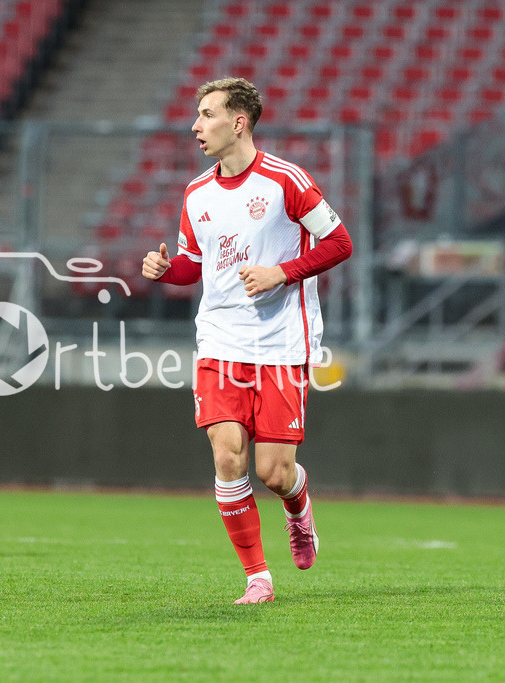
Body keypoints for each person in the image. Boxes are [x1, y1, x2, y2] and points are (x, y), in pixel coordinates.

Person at [142, 77, 352, 603]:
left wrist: (282, 272)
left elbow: (340, 242)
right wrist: (166, 270)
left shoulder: (286, 181)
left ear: (239, 122)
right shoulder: (196, 193)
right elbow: (196, 266)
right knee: (228, 457)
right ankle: (257, 577)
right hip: (219, 340)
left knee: (274, 472)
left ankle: (298, 503)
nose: (195, 126)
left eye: (207, 115)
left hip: (282, 342)